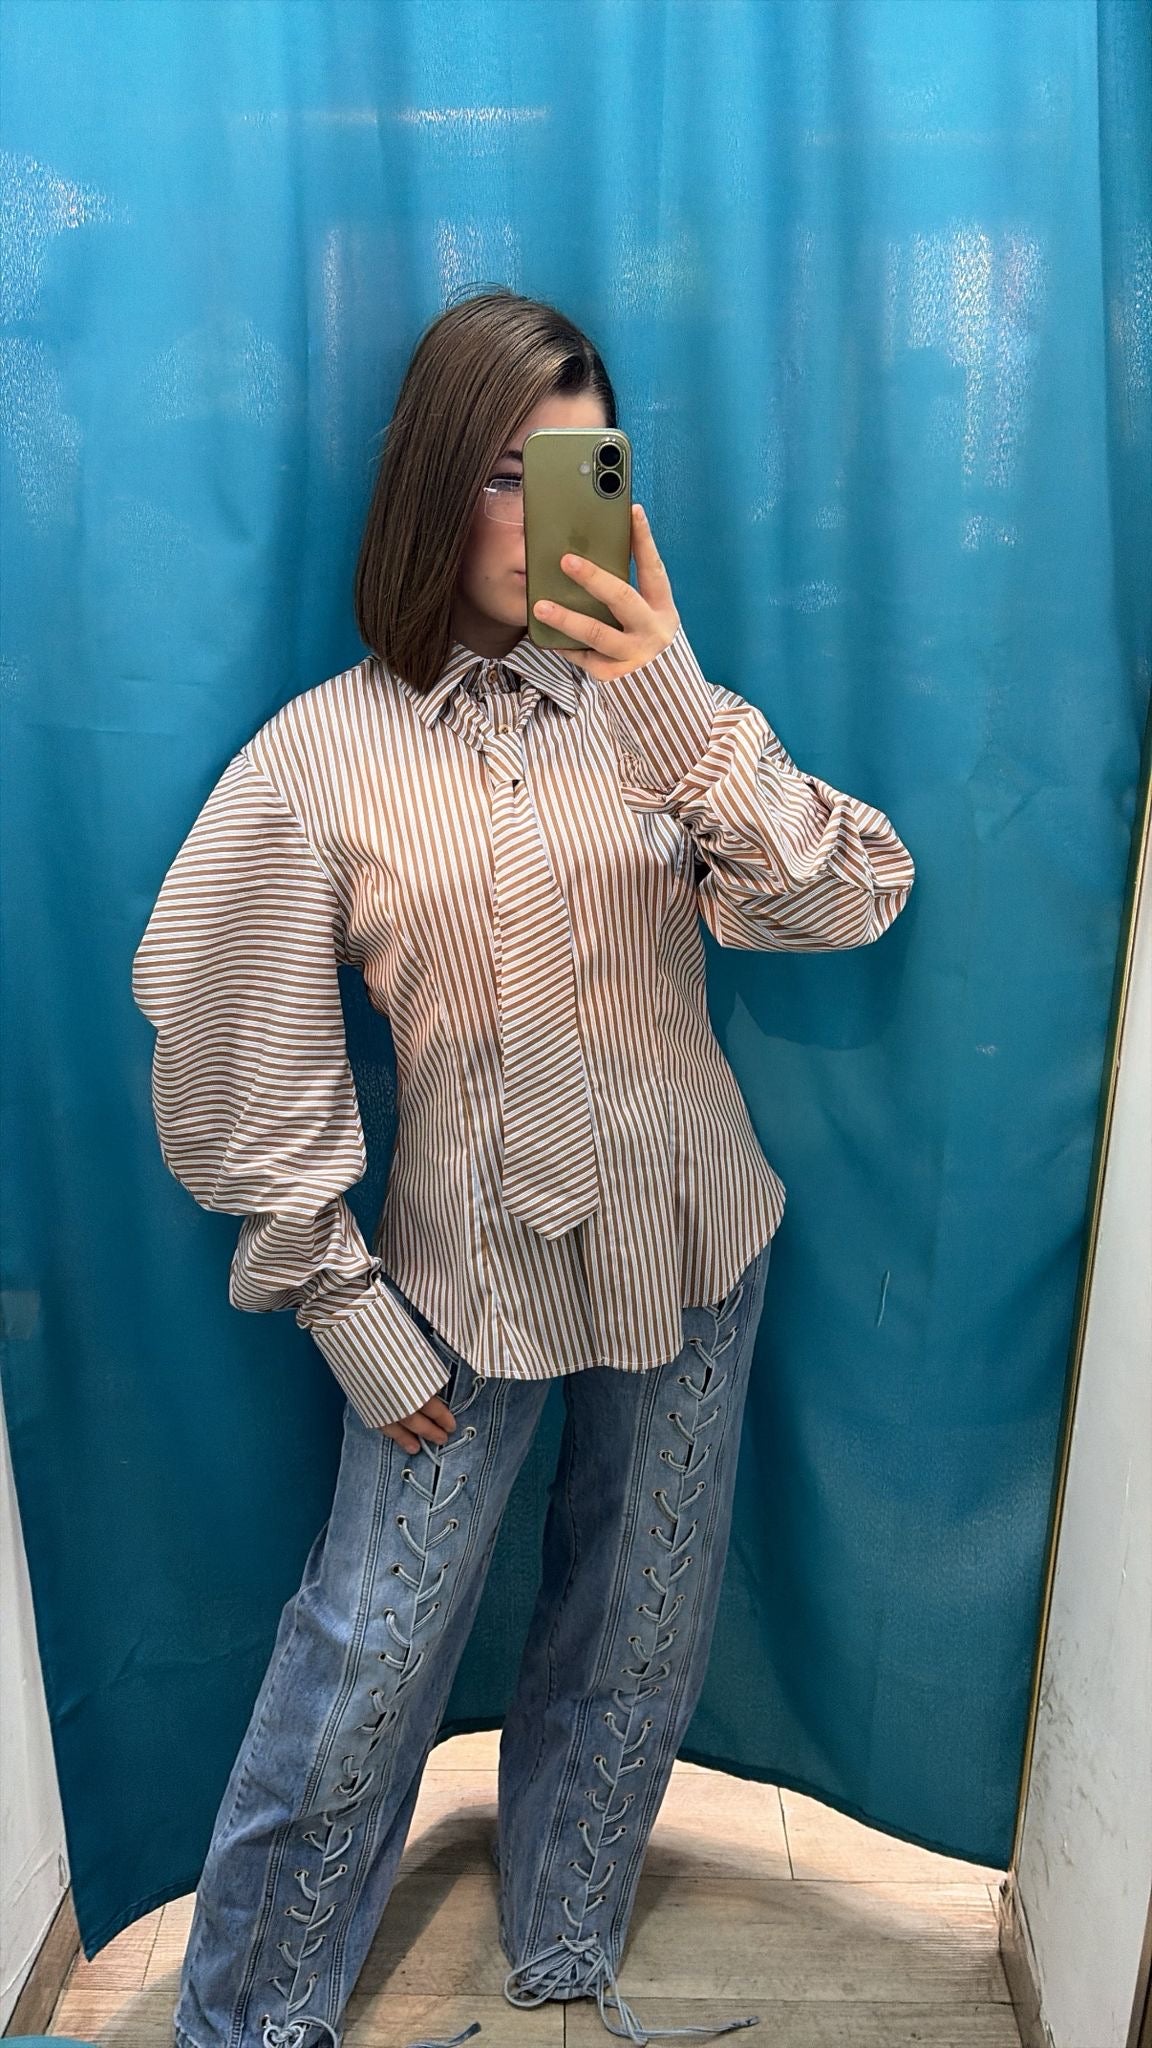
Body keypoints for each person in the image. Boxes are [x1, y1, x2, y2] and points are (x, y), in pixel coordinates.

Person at [132, 288, 916, 2048]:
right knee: (366, 1652)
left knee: (641, 1618)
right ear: (431, 483)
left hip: (691, 1240)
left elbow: (846, 899)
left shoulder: (668, 719)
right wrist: (341, 1303)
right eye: (504, 472)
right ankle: (249, 2019)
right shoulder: (320, 756)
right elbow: (227, 1018)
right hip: (460, 1279)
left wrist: (680, 712)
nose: (544, 513)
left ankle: (568, 1939)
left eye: (583, 469)